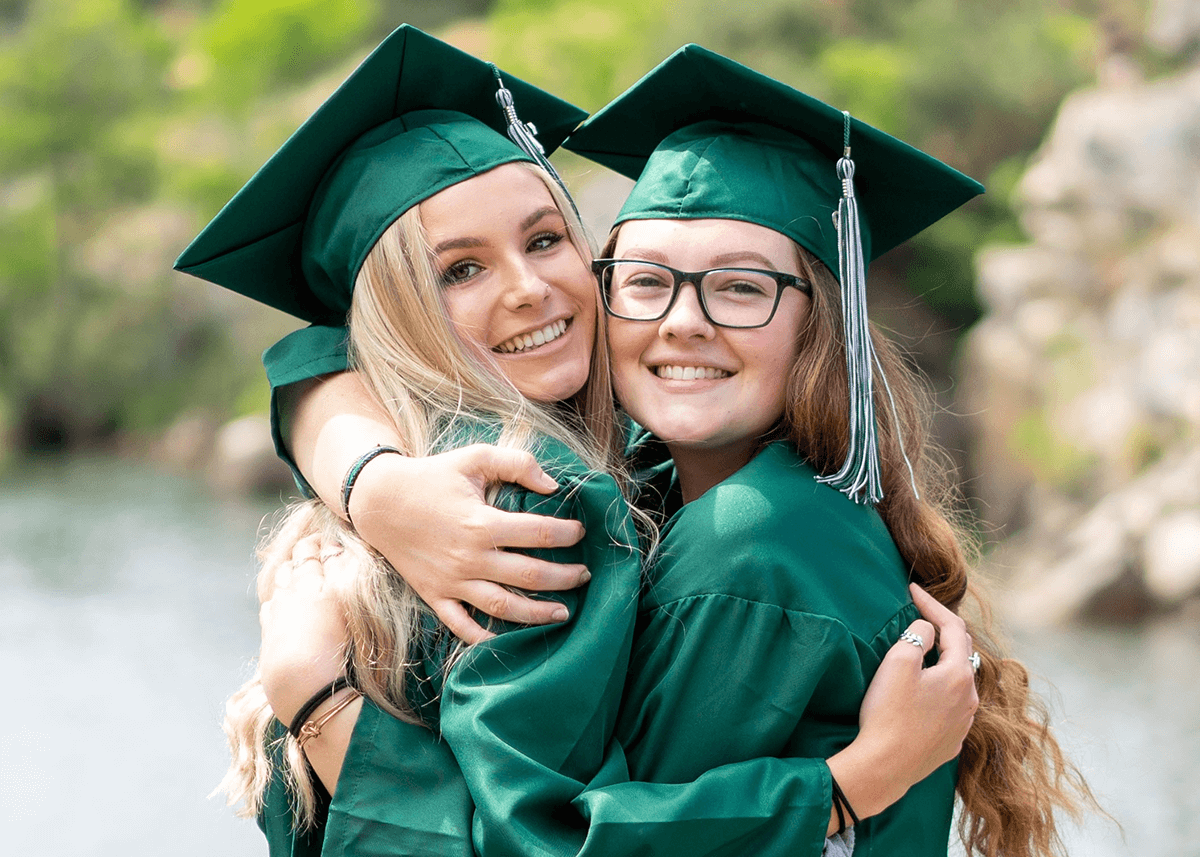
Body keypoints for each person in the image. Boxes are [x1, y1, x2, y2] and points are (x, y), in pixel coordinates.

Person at [268, 43, 1096, 857]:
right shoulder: (656, 478)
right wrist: (370, 482)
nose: (684, 321)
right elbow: (318, 365)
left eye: (742, 286)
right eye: (647, 280)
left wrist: (320, 700)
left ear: (822, 326)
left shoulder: (748, 545)